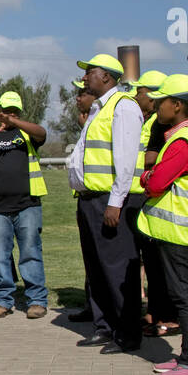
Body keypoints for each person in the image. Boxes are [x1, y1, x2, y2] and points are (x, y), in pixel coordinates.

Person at [69, 54, 145, 354]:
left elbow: (125, 160)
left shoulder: (123, 107)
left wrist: (116, 202)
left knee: (115, 268)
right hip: (89, 200)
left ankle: (127, 333)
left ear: (108, 77)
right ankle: (104, 326)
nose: (85, 78)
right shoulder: (99, 110)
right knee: (96, 268)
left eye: (90, 73)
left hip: (109, 202)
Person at [137, 75, 188, 375]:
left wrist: (147, 178)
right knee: (182, 294)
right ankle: (184, 357)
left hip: (176, 232)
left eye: (161, 100)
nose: (156, 105)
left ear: (177, 106)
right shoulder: (175, 137)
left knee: (185, 296)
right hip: (169, 231)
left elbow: (153, 181)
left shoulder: (181, 143)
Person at [0, 91, 49, 319]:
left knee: (30, 252)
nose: (8, 116)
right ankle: (2, 300)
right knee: (0, 256)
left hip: (27, 204)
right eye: (5, 112)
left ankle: (37, 300)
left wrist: (15, 122)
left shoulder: (27, 133)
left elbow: (42, 133)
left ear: (19, 113)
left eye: (13, 112)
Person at [132, 70, 176, 338]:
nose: (137, 95)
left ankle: (168, 316)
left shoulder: (162, 125)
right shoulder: (144, 120)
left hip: (157, 196)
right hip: (142, 194)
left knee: (162, 262)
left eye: (141, 90)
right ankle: (153, 312)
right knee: (148, 259)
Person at [68, 79, 98, 323]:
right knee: (91, 258)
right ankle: (93, 307)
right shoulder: (87, 125)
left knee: (102, 259)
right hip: (86, 199)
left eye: (83, 94)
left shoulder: (101, 121)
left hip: (102, 199)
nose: (78, 98)